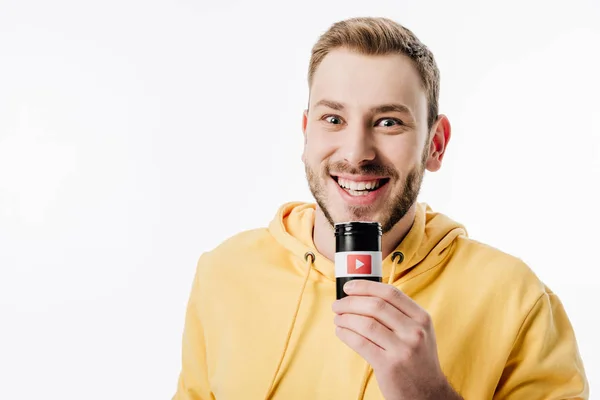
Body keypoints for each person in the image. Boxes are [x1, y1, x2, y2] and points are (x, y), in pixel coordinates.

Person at [172, 17, 589, 400]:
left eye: (389, 122)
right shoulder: (223, 273)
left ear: (435, 144)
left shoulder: (516, 299)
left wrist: (431, 394)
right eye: (333, 119)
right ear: (306, 133)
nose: (356, 154)